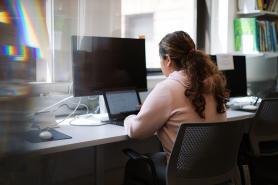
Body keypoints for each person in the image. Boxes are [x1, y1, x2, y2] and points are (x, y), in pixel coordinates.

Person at [123, 31, 228, 185]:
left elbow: (136, 131)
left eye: (160, 59)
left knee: (135, 165)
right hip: (216, 170)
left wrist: (129, 118)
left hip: (184, 175)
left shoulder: (168, 88)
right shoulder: (213, 84)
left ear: (168, 60)